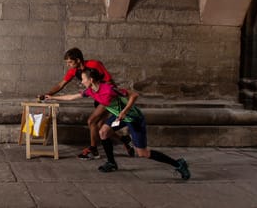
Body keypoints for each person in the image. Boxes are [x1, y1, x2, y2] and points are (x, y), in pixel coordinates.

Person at [45, 68, 191, 180]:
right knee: (103, 132)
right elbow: (72, 97)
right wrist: (52, 98)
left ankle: (178, 164)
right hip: (118, 118)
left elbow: (134, 95)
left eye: (83, 79)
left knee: (143, 153)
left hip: (133, 118)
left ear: (91, 79)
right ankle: (111, 163)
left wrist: (125, 112)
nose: (81, 81)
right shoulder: (90, 91)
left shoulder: (108, 89)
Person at [39, 47, 134, 160]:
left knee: (91, 121)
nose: (68, 65)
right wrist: (48, 94)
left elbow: (109, 81)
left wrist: (109, 96)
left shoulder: (94, 64)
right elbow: (61, 85)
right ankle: (124, 140)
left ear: (78, 60)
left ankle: (93, 150)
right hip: (98, 97)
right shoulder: (74, 71)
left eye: (70, 62)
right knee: (99, 127)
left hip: (107, 96)